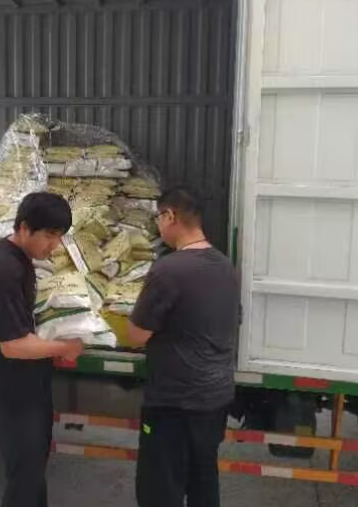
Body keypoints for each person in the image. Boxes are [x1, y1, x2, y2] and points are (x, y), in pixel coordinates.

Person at [0, 192, 85, 507]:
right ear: (24, 228)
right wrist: (65, 346)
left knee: (32, 474)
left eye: (59, 237)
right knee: (24, 479)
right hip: (12, 395)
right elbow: (12, 345)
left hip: (25, 388)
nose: (55, 245)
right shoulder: (6, 269)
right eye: (49, 236)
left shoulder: (19, 259)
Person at [128, 185, 238, 507]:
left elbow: (136, 335)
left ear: (170, 216)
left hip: (174, 403)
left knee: (160, 490)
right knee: (203, 481)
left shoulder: (168, 269)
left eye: (158, 218)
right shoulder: (225, 265)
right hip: (214, 398)